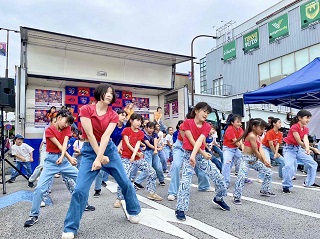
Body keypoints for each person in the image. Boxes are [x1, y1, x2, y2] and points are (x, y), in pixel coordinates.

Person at [62, 84, 141, 239]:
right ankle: (70, 227)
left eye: (112, 93)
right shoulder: (86, 110)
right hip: (90, 150)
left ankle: (133, 211)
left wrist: (101, 157)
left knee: (125, 182)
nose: (109, 95)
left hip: (109, 149)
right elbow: (90, 135)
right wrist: (98, 157)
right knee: (80, 190)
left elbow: (105, 137)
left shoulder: (113, 115)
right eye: (106, 92)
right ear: (99, 93)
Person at [23, 110, 79, 227]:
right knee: (39, 189)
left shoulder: (67, 129)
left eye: (69, 123)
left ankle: (84, 204)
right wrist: (67, 157)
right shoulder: (49, 129)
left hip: (63, 161)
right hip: (51, 161)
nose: (67, 125)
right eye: (66, 121)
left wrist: (65, 157)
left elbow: (64, 144)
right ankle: (34, 215)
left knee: (81, 178)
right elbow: (58, 145)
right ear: (59, 118)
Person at [175, 102, 230, 221]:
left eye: (208, 113)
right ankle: (180, 209)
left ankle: (219, 198)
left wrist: (199, 154)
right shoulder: (187, 123)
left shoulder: (206, 126)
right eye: (204, 111)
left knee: (219, 178)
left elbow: (200, 141)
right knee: (185, 181)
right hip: (188, 155)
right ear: (196, 111)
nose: (206, 114)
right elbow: (191, 140)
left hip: (198, 155)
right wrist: (197, 155)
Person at [114, 113, 162, 208]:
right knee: (124, 178)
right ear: (131, 121)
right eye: (137, 120)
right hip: (126, 158)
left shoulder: (140, 132)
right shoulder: (126, 130)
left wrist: (136, 154)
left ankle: (151, 193)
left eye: (140, 121)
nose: (139, 123)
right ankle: (119, 199)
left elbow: (137, 145)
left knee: (152, 172)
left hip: (138, 158)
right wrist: (134, 154)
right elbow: (127, 143)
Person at [167, 117, 213, 201]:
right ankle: (173, 192)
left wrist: (206, 149)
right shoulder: (184, 125)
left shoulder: (202, 125)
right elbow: (190, 141)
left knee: (201, 165)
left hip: (195, 146)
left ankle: (204, 186)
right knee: (176, 166)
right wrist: (203, 153)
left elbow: (201, 140)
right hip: (181, 146)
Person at [233, 118, 275, 205]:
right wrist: (264, 162)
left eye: (264, 129)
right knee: (241, 176)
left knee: (268, 172)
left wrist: (266, 161)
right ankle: (237, 197)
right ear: (254, 127)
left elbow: (261, 149)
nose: (263, 130)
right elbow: (256, 151)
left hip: (254, 160)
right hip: (246, 160)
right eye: (261, 128)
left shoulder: (258, 136)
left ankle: (265, 190)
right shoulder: (251, 135)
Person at [282, 110, 319, 194]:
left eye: (309, 118)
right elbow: (299, 141)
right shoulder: (294, 127)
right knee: (289, 166)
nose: (308, 120)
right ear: (299, 118)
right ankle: (286, 186)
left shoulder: (305, 128)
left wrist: (307, 148)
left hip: (298, 149)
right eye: (307, 118)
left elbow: (305, 139)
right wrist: (310, 149)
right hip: (289, 149)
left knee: (313, 164)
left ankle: (309, 182)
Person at [93, 109, 127, 198]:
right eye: (122, 115)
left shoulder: (125, 127)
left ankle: (106, 181)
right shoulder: (111, 124)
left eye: (125, 115)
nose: (124, 117)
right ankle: (97, 189)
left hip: (116, 150)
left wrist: (118, 148)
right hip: (105, 148)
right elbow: (105, 137)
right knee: (100, 169)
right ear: (117, 115)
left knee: (116, 168)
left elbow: (123, 139)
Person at [133, 122, 165, 188]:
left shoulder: (154, 134)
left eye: (153, 128)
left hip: (154, 152)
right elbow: (149, 145)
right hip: (147, 152)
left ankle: (161, 180)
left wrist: (156, 149)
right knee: (148, 168)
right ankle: (137, 182)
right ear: (146, 127)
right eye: (150, 128)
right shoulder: (143, 134)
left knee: (158, 167)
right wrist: (157, 149)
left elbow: (155, 142)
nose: (151, 130)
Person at [28, 117, 57, 188]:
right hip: (46, 147)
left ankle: (47, 186)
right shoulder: (48, 129)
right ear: (51, 122)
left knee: (53, 167)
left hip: (55, 149)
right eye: (54, 121)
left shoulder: (60, 130)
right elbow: (45, 141)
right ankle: (31, 180)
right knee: (42, 165)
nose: (55, 123)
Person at [221, 114, 246, 188]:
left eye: (240, 122)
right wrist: (243, 149)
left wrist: (243, 149)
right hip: (228, 149)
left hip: (235, 149)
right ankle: (224, 182)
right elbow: (235, 141)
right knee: (226, 163)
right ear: (232, 122)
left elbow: (241, 140)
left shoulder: (240, 129)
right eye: (238, 122)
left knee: (243, 161)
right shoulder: (229, 129)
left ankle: (242, 177)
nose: (240, 124)